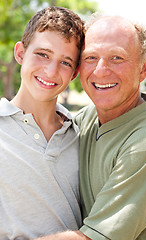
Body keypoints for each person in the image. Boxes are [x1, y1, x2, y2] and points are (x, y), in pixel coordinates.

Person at [35, 14, 146, 240]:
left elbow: (94, 237)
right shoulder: (85, 120)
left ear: (144, 68)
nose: (101, 70)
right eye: (91, 57)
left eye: (117, 58)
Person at [0, 6, 84, 239]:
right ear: (20, 53)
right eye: (43, 54)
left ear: (75, 73)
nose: (50, 71)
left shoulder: (82, 135)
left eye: (65, 62)